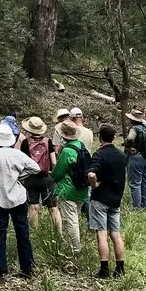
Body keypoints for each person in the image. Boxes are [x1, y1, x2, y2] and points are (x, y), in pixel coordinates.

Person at [0, 123, 37, 281]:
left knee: (0, 234)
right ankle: (27, 267)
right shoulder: (17, 154)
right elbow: (35, 168)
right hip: (18, 198)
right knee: (23, 232)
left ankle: (0, 271)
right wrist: (19, 177)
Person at [86, 124, 127, 278]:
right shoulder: (122, 156)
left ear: (100, 137)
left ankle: (104, 268)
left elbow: (91, 174)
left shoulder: (99, 154)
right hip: (116, 199)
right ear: (114, 137)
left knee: (102, 234)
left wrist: (94, 185)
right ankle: (120, 267)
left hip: (100, 199)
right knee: (115, 233)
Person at [50, 121, 89, 255]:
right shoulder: (81, 146)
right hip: (82, 189)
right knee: (73, 217)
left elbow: (58, 172)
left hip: (68, 190)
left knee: (71, 221)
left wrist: (51, 177)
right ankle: (70, 245)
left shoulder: (67, 151)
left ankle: (75, 249)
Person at [20, 116, 60, 232]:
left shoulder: (25, 143)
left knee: (33, 207)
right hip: (46, 177)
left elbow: (23, 162)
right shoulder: (48, 141)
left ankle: (35, 234)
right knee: (53, 208)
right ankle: (58, 234)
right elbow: (53, 161)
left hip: (31, 178)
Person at [123, 109, 146, 210]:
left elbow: (130, 139)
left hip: (137, 157)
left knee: (135, 184)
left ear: (131, 119)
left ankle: (136, 207)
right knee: (145, 182)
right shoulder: (145, 127)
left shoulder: (134, 129)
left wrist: (128, 146)